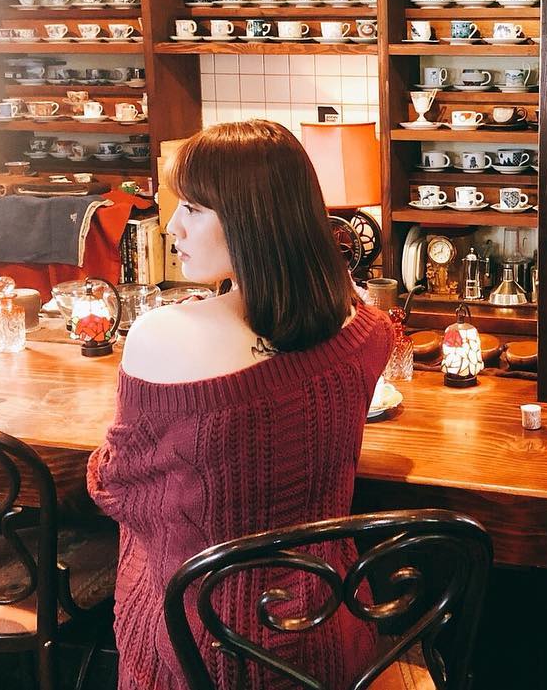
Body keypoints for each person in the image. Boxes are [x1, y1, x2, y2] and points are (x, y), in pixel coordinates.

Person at [87, 120, 392, 689]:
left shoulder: (162, 334)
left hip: (203, 646)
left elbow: (117, 488)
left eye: (194, 209)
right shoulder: (368, 329)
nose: (172, 227)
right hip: (330, 632)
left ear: (254, 221)